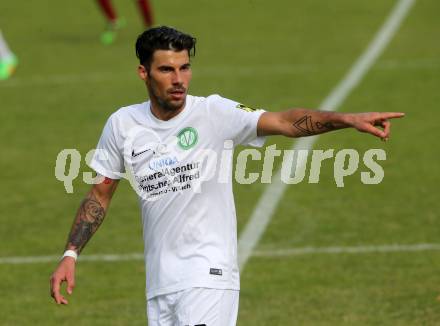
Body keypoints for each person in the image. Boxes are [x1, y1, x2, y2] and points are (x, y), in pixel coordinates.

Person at [50, 26, 404, 325]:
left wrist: (347, 120)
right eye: (167, 70)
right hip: (160, 286)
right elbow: (100, 194)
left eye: (185, 68)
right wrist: (71, 254)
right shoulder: (123, 124)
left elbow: (283, 121)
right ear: (143, 72)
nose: (179, 80)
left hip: (209, 277)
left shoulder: (213, 112)